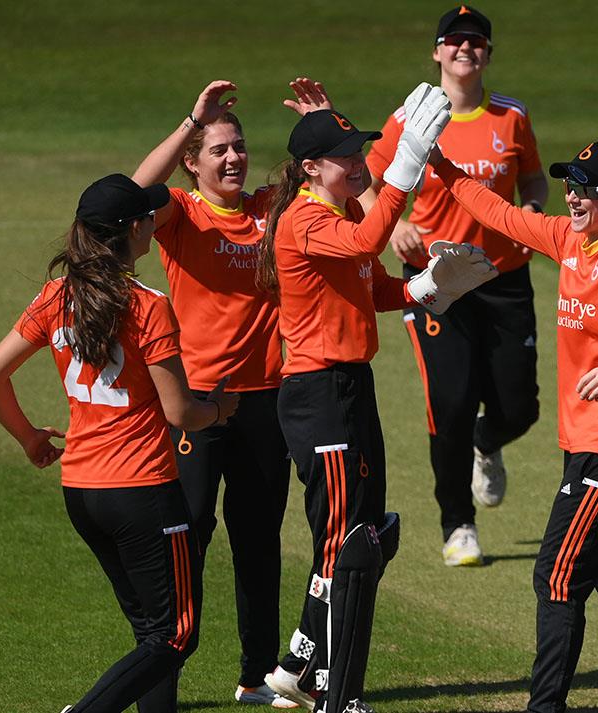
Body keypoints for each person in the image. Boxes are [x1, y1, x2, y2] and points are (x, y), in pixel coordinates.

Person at [430, 140, 598, 713]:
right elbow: (497, 213)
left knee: (557, 577)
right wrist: (440, 164)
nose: (572, 195)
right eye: (569, 185)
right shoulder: (572, 238)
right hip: (585, 440)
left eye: (586, 188)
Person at [253, 85, 495, 713]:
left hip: (349, 389)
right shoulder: (305, 220)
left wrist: (428, 287)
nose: (356, 162)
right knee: (347, 540)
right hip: (318, 395)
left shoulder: (337, 218)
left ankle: (306, 665)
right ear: (311, 168)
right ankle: (332, 683)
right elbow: (367, 246)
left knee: (363, 534)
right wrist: (405, 166)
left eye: (359, 152)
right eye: (342, 157)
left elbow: (373, 283)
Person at [0, 174, 240, 713]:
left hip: (83, 491)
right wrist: (220, 409)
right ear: (135, 230)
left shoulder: (55, 297)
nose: (153, 223)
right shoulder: (147, 305)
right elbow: (180, 412)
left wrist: (29, 439)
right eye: (148, 217)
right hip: (142, 492)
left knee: (150, 631)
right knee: (175, 636)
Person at [129, 78, 332, 709]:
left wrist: (327, 122)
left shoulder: (273, 207)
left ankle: (256, 676)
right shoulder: (182, 213)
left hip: (265, 401)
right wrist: (193, 119)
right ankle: (160, 679)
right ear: (194, 162)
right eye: (218, 149)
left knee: (257, 542)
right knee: (186, 536)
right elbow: (132, 195)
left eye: (238, 146)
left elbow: (345, 184)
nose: (233, 158)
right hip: (193, 403)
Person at [362, 4, 548, 566]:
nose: (465, 49)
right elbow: (364, 180)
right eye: (454, 41)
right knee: (451, 404)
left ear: (488, 54)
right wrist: (391, 222)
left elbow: (534, 177)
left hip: (505, 279)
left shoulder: (511, 117)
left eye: (476, 42)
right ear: (437, 52)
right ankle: (457, 526)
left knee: (520, 408)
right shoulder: (412, 117)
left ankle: (485, 445)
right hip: (438, 283)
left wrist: (533, 212)